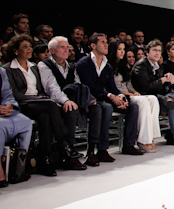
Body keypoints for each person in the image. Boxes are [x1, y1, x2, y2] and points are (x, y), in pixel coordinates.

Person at [4, 35, 81, 176]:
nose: (29, 49)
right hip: (22, 104)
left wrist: (40, 98)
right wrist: (37, 99)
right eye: (25, 47)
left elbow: (40, 89)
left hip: (39, 104)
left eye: (30, 46)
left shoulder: (34, 67)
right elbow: (14, 93)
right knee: (51, 105)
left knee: (45, 117)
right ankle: (65, 144)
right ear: (15, 51)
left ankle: (45, 160)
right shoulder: (8, 69)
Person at [76, 34, 144, 160]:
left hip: (105, 98)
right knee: (107, 108)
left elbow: (112, 86)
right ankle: (102, 149)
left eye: (106, 42)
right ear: (93, 46)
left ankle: (128, 145)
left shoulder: (107, 66)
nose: (106, 45)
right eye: (103, 42)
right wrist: (111, 96)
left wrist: (121, 97)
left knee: (132, 106)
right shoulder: (83, 64)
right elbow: (89, 86)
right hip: (90, 99)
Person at [38, 36, 100, 170]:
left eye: (67, 47)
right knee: (71, 110)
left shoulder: (71, 67)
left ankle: (91, 151)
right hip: (55, 102)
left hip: (72, 100)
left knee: (97, 108)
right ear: (51, 50)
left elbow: (78, 86)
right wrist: (66, 100)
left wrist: (88, 100)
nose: (66, 50)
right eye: (62, 47)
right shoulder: (44, 65)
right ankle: (69, 153)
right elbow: (51, 88)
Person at [131, 40, 174, 146]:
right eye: (154, 50)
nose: (157, 53)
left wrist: (168, 79)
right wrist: (162, 80)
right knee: (171, 102)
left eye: (159, 51)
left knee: (173, 102)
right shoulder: (141, 65)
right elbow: (146, 87)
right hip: (143, 97)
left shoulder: (157, 65)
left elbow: (158, 86)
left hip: (155, 96)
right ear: (147, 52)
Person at [108, 39, 160, 153]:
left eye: (123, 49)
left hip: (128, 94)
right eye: (119, 49)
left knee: (153, 99)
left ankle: (151, 137)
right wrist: (128, 93)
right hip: (119, 95)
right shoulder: (109, 66)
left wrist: (134, 91)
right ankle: (143, 140)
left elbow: (128, 84)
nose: (122, 52)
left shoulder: (124, 66)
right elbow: (111, 87)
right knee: (143, 101)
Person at [0, 66, 33, 187]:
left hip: (4, 111)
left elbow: (7, 94)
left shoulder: (1, 72)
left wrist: (8, 105)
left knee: (25, 122)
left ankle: (19, 165)